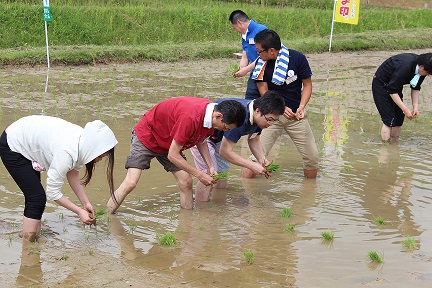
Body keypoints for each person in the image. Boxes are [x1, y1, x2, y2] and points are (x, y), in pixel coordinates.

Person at [106, 96, 246, 213]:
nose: (224, 130)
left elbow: (201, 141)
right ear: (219, 116)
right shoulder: (191, 116)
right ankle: (107, 215)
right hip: (147, 136)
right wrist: (200, 174)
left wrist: (210, 167)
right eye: (225, 127)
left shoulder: (211, 119)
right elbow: (173, 156)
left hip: (170, 143)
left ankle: (187, 221)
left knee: (186, 181)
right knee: (131, 182)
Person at [0, 115, 118, 242]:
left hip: (26, 136)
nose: (99, 159)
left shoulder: (82, 144)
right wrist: (79, 211)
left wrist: (85, 203)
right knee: (36, 198)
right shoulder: (67, 152)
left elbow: (72, 173)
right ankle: (28, 242)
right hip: (13, 143)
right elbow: (53, 192)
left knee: (35, 197)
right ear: (94, 147)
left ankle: (32, 236)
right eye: (100, 155)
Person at [241, 29, 319, 179]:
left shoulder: (297, 58)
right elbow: (264, 92)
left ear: (271, 50)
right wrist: (282, 109)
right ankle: (245, 191)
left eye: (259, 51)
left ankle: (310, 193)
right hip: (269, 118)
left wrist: (302, 106)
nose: (258, 54)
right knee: (255, 159)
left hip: (296, 117)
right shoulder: (260, 65)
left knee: (312, 158)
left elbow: (307, 85)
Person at [190, 91, 285, 201]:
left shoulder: (259, 118)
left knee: (221, 178)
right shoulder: (241, 119)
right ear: (258, 111)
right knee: (209, 175)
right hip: (202, 136)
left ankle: (218, 206)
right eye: (269, 120)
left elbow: (253, 139)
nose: (270, 124)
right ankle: (202, 211)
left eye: (274, 121)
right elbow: (225, 152)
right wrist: (252, 165)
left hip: (220, 138)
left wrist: (262, 160)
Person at [372, 53, 432, 143]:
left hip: (395, 85)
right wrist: (405, 109)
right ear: (422, 67)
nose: (428, 75)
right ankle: (385, 148)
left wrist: (415, 107)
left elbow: (415, 87)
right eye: (428, 73)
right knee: (389, 120)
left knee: (399, 118)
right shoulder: (405, 67)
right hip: (381, 84)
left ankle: (394, 146)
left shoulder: (421, 71)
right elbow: (392, 91)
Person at [229, 10, 267, 100]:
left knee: (267, 104)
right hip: (254, 74)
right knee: (249, 103)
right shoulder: (244, 35)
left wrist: (246, 70)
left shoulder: (261, 30)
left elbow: (264, 56)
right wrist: (241, 69)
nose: (236, 30)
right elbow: (245, 56)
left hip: (266, 74)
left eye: (235, 28)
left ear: (239, 23)